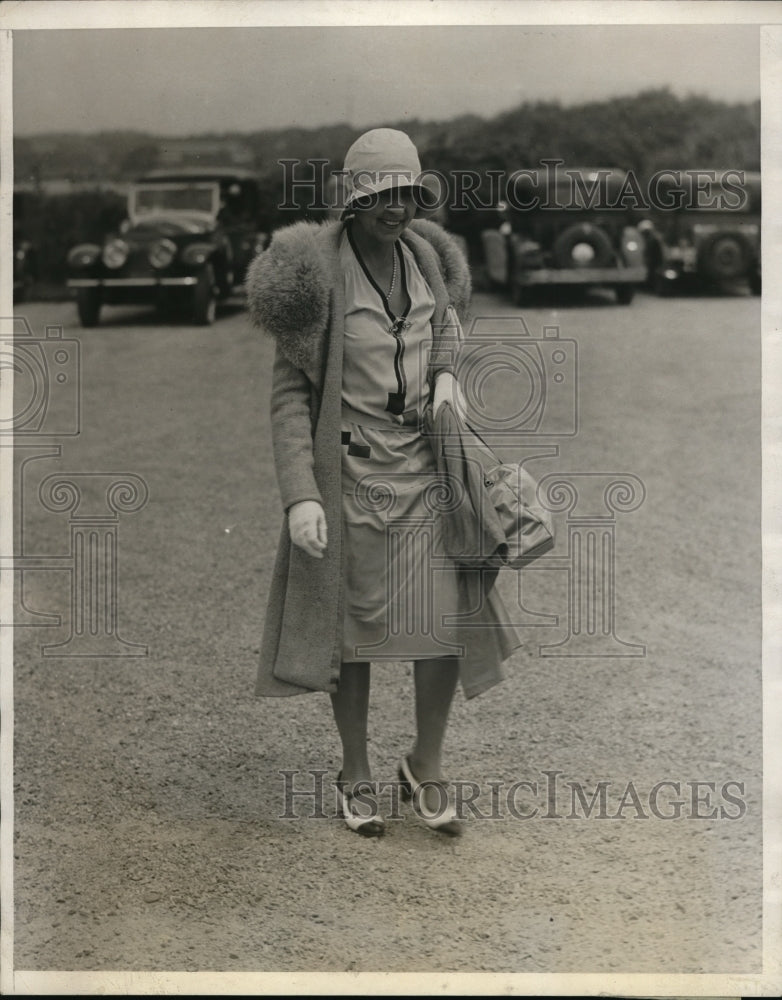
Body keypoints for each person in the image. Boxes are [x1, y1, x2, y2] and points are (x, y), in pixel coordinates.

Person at [247, 128, 521, 838]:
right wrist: (300, 493)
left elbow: (448, 327)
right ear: (352, 200)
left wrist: (448, 376)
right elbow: (288, 398)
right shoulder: (316, 279)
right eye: (378, 194)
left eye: (406, 193)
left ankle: (424, 765)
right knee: (357, 632)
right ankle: (356, 770)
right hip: (353, 475)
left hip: (427, 469)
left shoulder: (427, 257)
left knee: (442, 624)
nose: (394, 208)